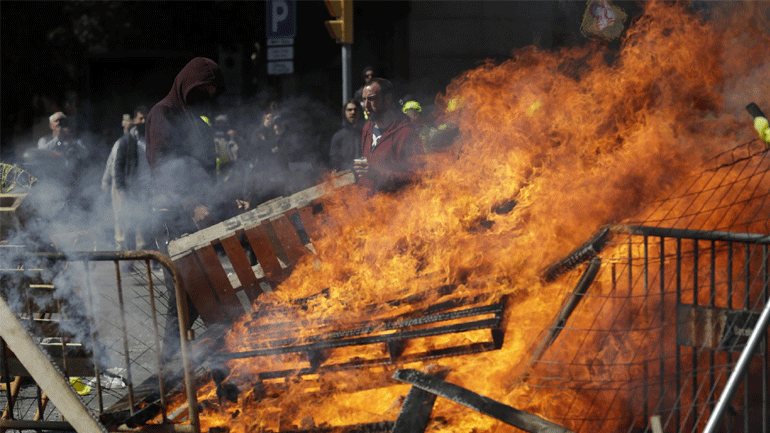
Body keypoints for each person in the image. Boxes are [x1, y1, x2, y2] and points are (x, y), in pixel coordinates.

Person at [145, 57, 225, 361]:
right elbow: (163, 169)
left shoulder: (197, 122)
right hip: (173, 220)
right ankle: (170, 371)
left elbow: (207, 170)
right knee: (184, 295)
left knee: (206, 294)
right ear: (188, 84)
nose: (206, 98)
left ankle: (218, 365)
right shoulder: (162, 114)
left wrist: (224, 199)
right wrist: (191, 205)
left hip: (198, 222)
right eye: (203, 90)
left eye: (212, 92)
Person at [354, 78, 423, 193]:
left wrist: (377, 175)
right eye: (364, 99)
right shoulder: (367, 128)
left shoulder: (406, 132)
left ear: (388, 99)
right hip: (368, 202)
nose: (366, 105)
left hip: (392, 202)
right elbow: (367, 172)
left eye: (371, 99)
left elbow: (417, 176)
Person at [113, 106, 150, 254]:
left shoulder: (151, 138)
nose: (143, 121)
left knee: (148, 221)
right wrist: (121, 187)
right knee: (130, 222)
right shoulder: (126, 141)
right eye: (140, 118)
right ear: (134, 120)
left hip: (148, 187)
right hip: (132, 187)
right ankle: (130, 255)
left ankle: (148, 254)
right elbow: (118, 165)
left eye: (146, 118)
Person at [328, 99, 364, 171]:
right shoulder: (338, 136)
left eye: (355, 109)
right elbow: (334, 159)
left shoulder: (366, 133)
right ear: (345, 112)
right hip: (346, 174)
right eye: (349, 110)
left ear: (359, 112)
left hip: (365, 173)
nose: (353, 112)